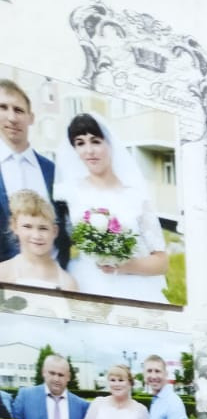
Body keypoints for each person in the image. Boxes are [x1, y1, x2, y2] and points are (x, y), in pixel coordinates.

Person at [57, 112, 168, 302]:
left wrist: (122, 265)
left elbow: (162, 262)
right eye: (80, 143)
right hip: (86, 282)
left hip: (134, 287)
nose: (89, 151)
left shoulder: (135, 196)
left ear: (109, 144)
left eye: (95, 141)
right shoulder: (68, 194)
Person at [0, 78, 68, 267]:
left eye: (18, 110)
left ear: (31, 117)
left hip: (55, 275)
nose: (12, 118)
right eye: (3, 108)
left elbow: (65, 227)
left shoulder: (52, 170)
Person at [0, 189, 77, 290]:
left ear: (55, 231)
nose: (36, 236)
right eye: (27, 227)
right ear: (14, 227)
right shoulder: (3, 272)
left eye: (43, 228)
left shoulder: (67, 283)